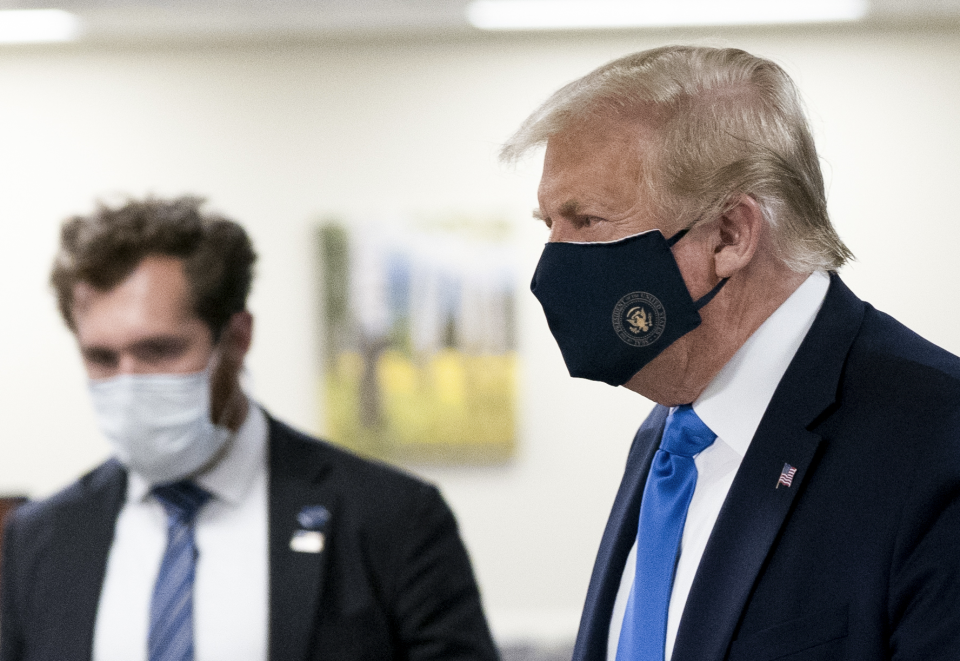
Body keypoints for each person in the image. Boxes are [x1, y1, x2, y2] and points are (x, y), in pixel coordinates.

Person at [503, 46, 960, 661]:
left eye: (587, 221)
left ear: (729, 235)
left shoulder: (936, 441)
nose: (551, 264)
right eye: (548, 224)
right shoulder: (669, 436)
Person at [0, 196, 499, 661]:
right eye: (102, 358)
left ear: (237, 338)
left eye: (160, 351)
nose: (129, 383)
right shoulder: (41, 539)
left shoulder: (390, 518)